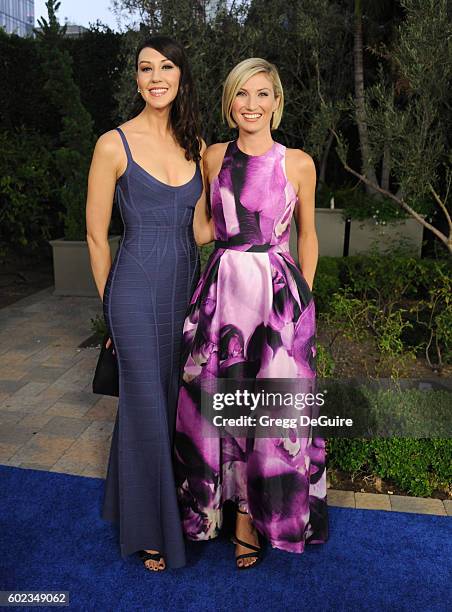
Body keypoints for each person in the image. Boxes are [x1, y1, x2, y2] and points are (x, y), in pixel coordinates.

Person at [174, 58, 328, 569]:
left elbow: (308, 237)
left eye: (263, 94)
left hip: (277, 299)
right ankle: (216, 510)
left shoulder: (298, 162)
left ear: (277, 103)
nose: (252, 104)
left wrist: (302, 304)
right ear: (230, 102)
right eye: (242, 94)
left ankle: (250, 521)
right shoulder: (213, 155)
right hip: (224, 292)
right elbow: (202, 230)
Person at [86, 36, 209, 571]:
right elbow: (95, 237)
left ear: (181, 76)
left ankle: (136, 506)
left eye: (166, 66)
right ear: (135, 78)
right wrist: (110, 311)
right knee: (143, 405)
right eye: (145, 68)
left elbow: (202, 230)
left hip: (187, 287)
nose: (156, 76)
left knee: (167, 405)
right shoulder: (112, 145)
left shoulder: (196, 144)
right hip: (134, 294)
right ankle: (155, 531)